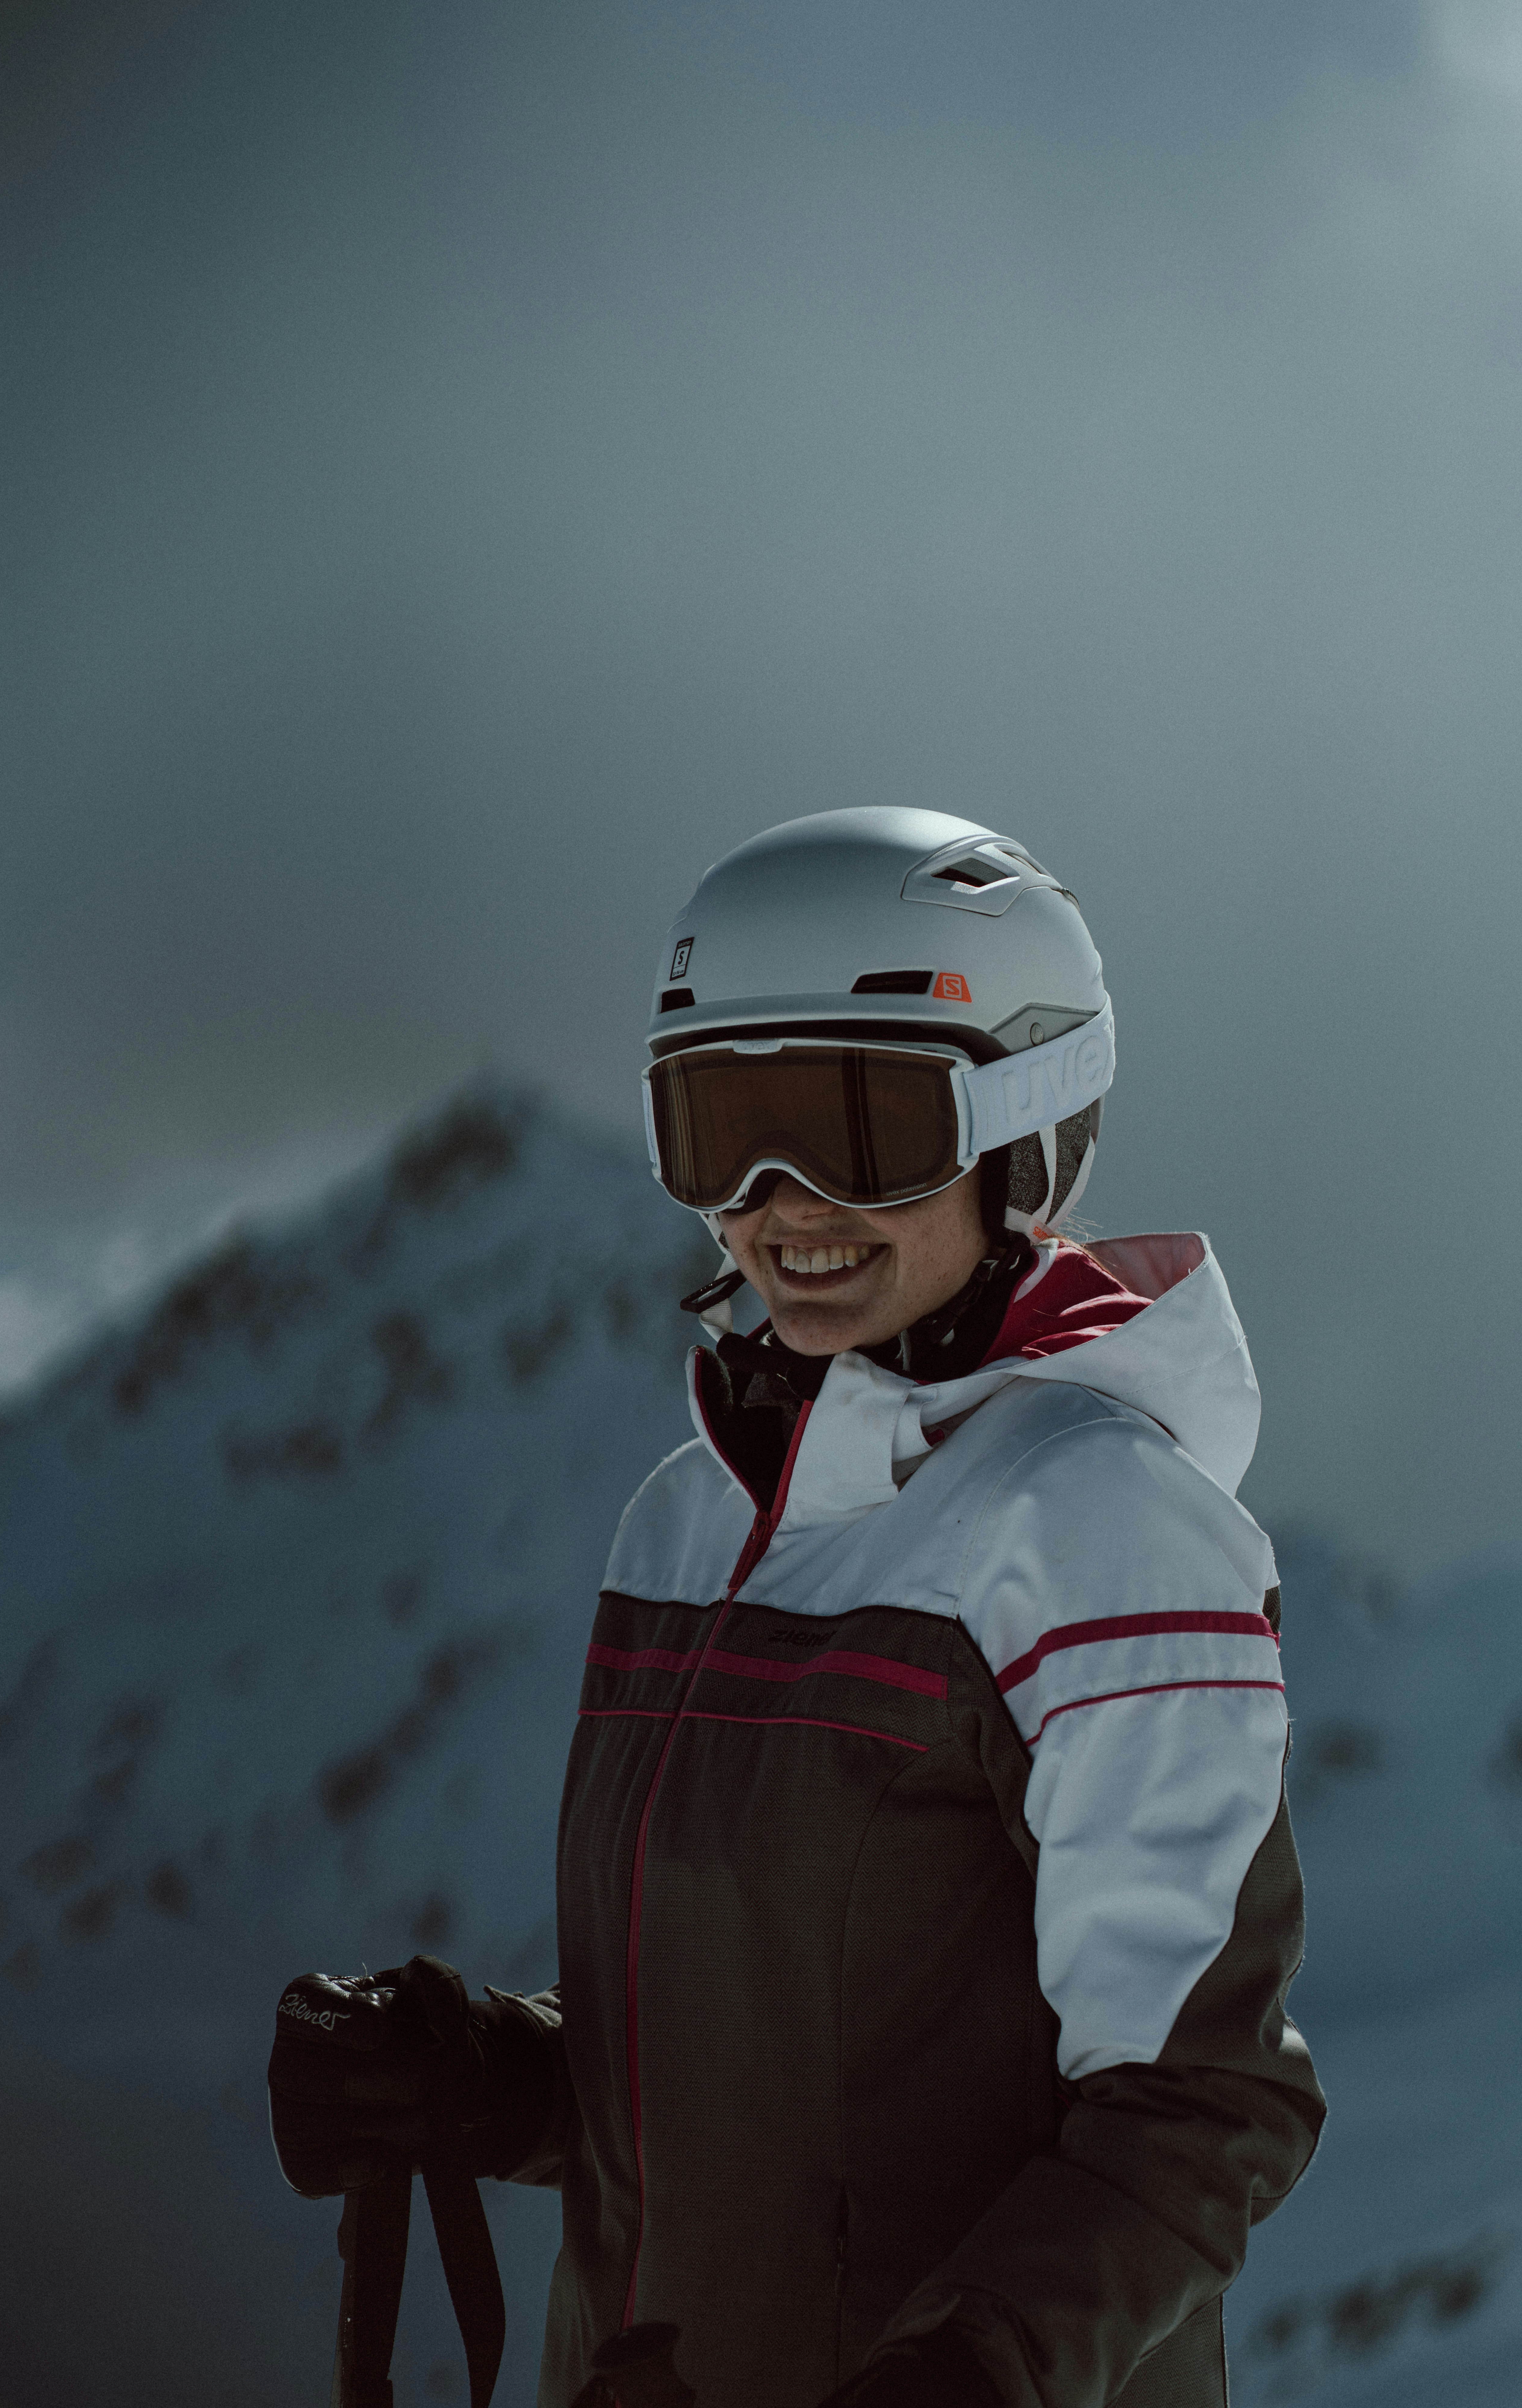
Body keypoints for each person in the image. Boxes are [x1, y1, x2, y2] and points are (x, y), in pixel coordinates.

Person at [272, 807, 1324, 2408]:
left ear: (1018, 1123)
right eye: (722, 1129)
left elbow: (1201, 2102)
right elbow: (782, 2075)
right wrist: (491, 2083)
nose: (781, 1201)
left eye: (855, 1125)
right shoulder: (690, 1520)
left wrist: (969, 2376)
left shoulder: (1095, 1523)